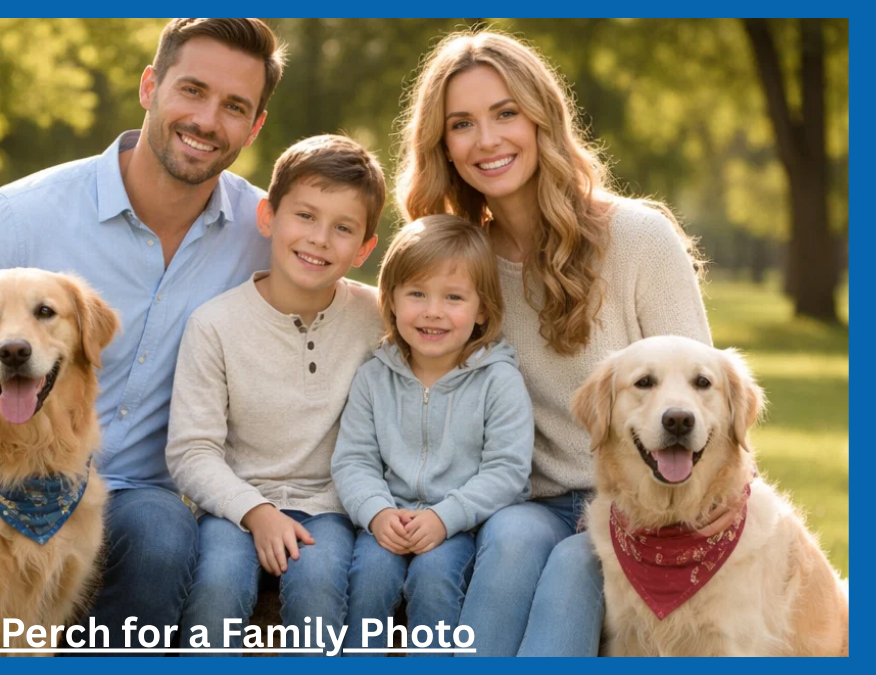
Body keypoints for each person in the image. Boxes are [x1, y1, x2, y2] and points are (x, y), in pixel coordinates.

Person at [0, 18, 286, 650]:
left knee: (159, 529)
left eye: (234, 106)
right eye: (192, 90)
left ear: (254, 127)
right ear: (150, 86)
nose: (207, 120)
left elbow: (343, 285)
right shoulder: (21, 215)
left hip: (132, 494)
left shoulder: (263, 233)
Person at [395, 30, 712, 656]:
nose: (487, 140)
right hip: (529, 502)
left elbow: (702, 404)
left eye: (506, 113)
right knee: (512, 537)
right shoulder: (464, 269)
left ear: (543, 119)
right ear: (443, 146)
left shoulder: (640, 239)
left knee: (575, 564)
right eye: (462, 124)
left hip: (642, 503)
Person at [166, 134, 385, 654]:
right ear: (268, 217)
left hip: (331, 508)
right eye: (305, 216)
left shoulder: (378, 319)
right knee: (218, 584)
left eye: (343, 228)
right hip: (235, 506)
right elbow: (190, 450)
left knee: (318, 583)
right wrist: (256, 511)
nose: (319, 239)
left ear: (364, 249)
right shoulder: (215, 325)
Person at [332, 215, 534, 656]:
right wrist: (376, 512)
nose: (433, 311)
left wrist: (446, 517)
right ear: (392, 299)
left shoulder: (498, 380)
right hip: (386, 519)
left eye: (454, 297)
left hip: (459, 524)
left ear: (482, 309)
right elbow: (354, 460)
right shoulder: (374, 377)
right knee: (368, 578)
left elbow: (508, 469)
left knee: (433, 578)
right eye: (417, 293)